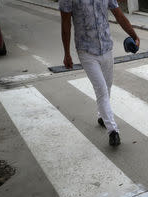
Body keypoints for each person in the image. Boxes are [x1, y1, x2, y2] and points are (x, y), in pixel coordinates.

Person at [59, 0, 139, 146]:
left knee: (107, 87)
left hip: (107, 48)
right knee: (101, 89)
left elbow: (119, 15)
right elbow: (65, 24)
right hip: (86, 51)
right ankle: (113, 131)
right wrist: (66, 54)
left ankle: (102, 116)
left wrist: (134, 35)